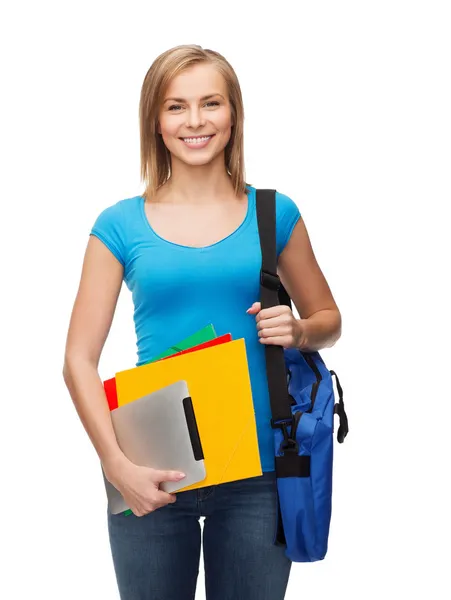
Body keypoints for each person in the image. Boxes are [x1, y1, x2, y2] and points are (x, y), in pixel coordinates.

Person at [63, 44, 342, 600]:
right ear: (155, 122)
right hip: (151, 465)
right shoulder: (119, 224)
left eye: (210, 103)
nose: (195, 121)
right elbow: (78, 361)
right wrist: (117, 466)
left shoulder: (274, 212)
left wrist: (300, 330)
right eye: (176, 106)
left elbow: (328, 318)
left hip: (261, 468)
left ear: (233, 114)